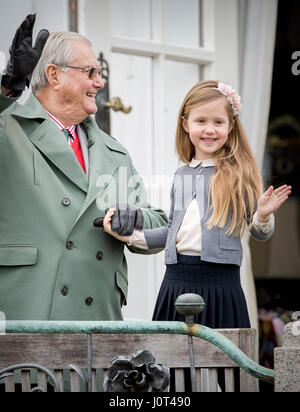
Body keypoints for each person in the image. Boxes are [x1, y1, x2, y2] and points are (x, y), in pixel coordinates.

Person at [0, 15, 167, 321]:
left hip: (99, 319)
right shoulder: (9, 130)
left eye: (99, 73)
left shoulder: (113, 152)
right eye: (91, 72)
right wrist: (8, 90)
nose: (100, 83)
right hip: (28, 312)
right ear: (53, 74)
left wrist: (136, 218)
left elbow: (158, 226)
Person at [104, 80, 292, 329]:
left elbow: (259, 233)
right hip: (176, 280)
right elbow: (172, 232)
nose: (210, 130)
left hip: (220, 284)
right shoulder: (181, 175)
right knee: (172, 362)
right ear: (185, 124)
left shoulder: (239, 175)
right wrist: (127, 235)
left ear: (231, 126)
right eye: (201, 121)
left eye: (218, 122)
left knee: (219, 362)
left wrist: (263, 215)